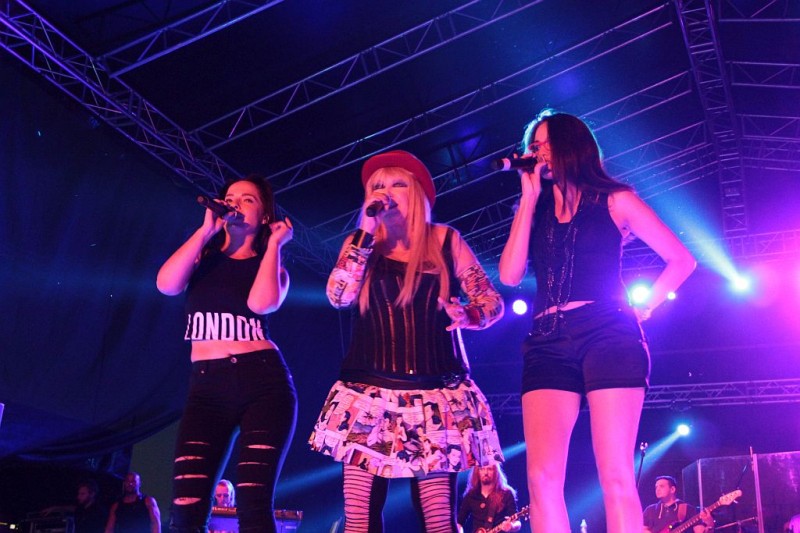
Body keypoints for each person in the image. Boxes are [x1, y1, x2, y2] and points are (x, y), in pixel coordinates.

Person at [498, 111, 696, 533]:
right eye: (533, 144)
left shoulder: (615, 199)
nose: (536, 151)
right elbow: (510, 275)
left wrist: (645, 306)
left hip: (608, 333)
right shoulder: (534, 208)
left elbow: (681, 259)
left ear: (572, 145)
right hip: (546, 341)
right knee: (541, 478)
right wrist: (528, 199)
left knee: (615, 473)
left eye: (545, 142)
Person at [309, 150, 506, 532]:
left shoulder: (446, 241)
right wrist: (365, 233)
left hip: (435, 399)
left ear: (417, 193)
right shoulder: (361, 244)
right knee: (358, 520)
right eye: (377, 186)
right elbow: (338, 296)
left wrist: (469, 315)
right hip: (366, 397)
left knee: (438, 521)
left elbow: (491, 301)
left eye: (397, 184)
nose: (385, 192)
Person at [156, 174, 298, 532]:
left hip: (262, 383)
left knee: (252, 501)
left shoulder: (273, 266)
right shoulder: (202, 257)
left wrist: (275, 245)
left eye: (248, 199)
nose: (235, 203)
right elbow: (166, 285)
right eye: (231, 197)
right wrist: (206, 230)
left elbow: (262, 304)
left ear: (265, 216)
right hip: (207, 388)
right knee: (185, 507)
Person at [457, 464, 522, 533]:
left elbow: (517, 522)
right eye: (482, 469)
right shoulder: (471, 495)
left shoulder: (506, 493)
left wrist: (511, 526)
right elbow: (459, 522)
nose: (486, 473)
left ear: (496, 472)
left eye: (489, 469)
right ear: (477, 472)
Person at [642, 476, 713, 533]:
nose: (657, 489)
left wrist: (710, 524)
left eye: (661, 486)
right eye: (656, 487)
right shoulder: (650, 510)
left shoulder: (687, 509)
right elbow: (641, 528)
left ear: (672, 489)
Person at [42, 479, 108, 533]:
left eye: (82, 494)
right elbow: (73, 508)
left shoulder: (99, 511)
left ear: (92, 494)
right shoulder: (82, 509)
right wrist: (56, 508)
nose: (78, 497)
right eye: (79, 494)